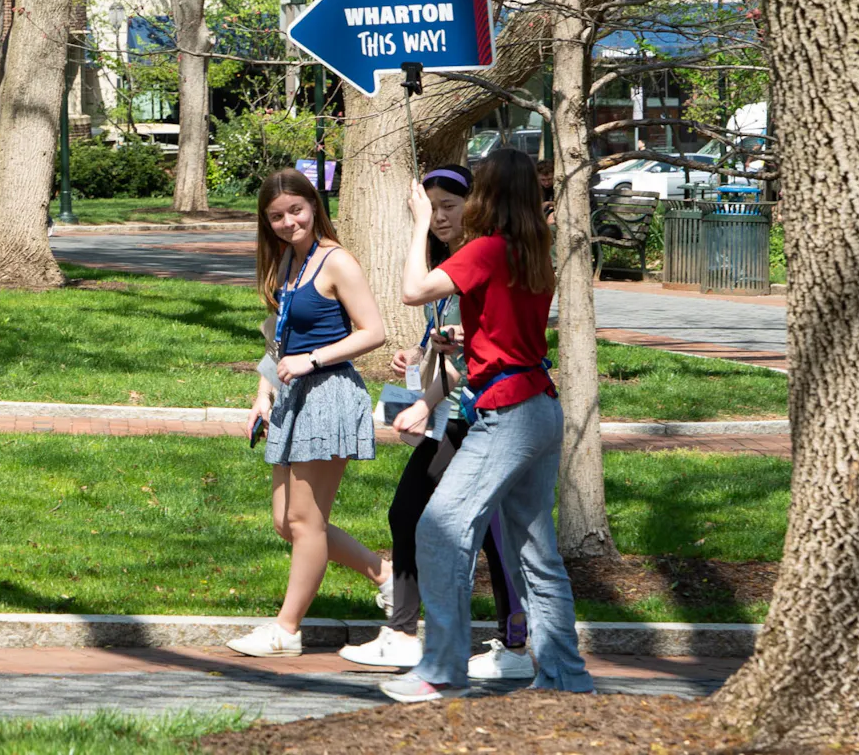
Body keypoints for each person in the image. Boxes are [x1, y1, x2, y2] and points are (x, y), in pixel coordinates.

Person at [380, 148, 593, 703]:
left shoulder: (486, 250)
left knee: (439, 528)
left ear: (488, 197)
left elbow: (412, 291)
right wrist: (465, 343)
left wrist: (421, 224)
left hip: (510, 414)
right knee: (535, 551)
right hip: (541, 404)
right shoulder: (532, 250)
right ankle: (565, 676)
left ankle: (440, 669)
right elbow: (507, 328)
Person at [339, 164, 532, 678]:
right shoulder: (458, 263)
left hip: (479, 414)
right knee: (413, 515)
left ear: (475, 204)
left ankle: (509, 644)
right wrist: (418, 353)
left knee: (482, 528)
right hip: (458, 411)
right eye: (433, 207)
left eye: (450, 206)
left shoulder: (482, 256)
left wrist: (425, 401)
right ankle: (408, 632)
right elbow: (453, 342)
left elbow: (477, 351)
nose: (441, 216)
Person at [227, 168, 391, 658]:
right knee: (287, 521)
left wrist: (314, 360)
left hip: (329, 396)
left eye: (295, 210)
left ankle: (287, 629)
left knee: (304, 521)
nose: (287, 221)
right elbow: (278, 338)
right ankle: (388, 577)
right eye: (276, 216)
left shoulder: (336, 261)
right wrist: (264, 389)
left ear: (314, 207)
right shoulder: (287, 262)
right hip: (293, 396)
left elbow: (373, 331)